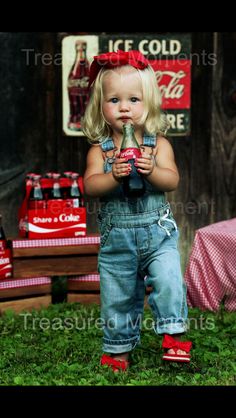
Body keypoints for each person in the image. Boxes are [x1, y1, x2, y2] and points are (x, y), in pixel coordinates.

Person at [82, 50, 192, 372]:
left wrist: (151, 171)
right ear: (100, 107)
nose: (125, 107)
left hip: (158, 233)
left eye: (134, 99)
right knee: (117, 296)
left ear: (149, 104)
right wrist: (111, 175)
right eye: (114, 100)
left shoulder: (159, 146)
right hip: (117, 240)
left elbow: (171, 180)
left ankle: (174, 336)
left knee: (169, 279)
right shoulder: (99, 150)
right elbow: (90, 185)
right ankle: (118, 350)